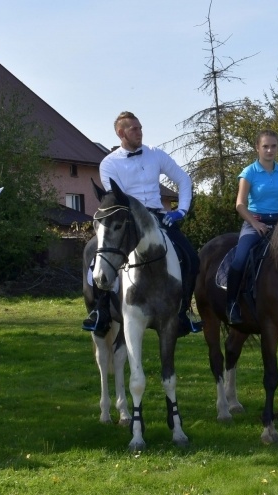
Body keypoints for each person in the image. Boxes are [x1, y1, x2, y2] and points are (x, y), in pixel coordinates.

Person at [83, 110, 201, 337]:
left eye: (140, 128)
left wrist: (181, 210)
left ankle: (183, 311)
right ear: (121, 133)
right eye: (133, 129)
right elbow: (115, 198)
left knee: (191, 257)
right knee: (101, 261)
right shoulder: (108, 163)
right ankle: (101, 311)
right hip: (128, 220)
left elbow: (183, 179)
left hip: (159, 218)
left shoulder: (156, 154)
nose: (139, 133)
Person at [226, 130, 278, 324]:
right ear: (257, 148)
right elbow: (240, 204)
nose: (270, 150)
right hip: (254, 222)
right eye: (265, 146)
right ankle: (232, 304)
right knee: (239, 260)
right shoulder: (249, 173)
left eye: (273, 146)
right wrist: (255, 223)